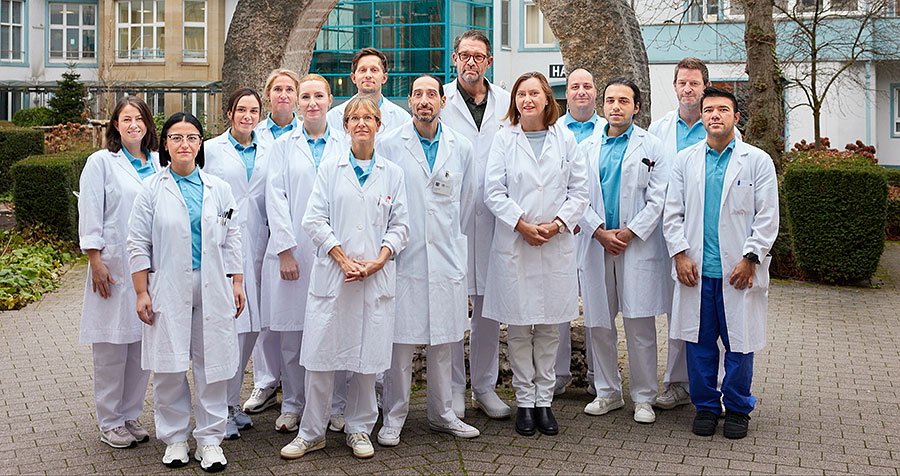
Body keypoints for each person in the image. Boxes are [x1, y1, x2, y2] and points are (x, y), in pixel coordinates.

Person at [279, 97, 409, 460]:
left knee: (367, 361)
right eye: (355, 118)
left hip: (374, 278)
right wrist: (341, 257)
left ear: (379, 125)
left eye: (369, 117)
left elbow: (401, 226)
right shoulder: (330, 168)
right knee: (321, 359)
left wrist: (379, 260)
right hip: (335, 278)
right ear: (346, 124)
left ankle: (359, 428)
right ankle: (311, 432)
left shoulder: (393, 173)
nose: (362, 123)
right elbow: (313, 219)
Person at [127, 112, 244, 472]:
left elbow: (233, 237)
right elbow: (137, 243)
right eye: (176, 138)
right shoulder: (151, 189)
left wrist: (237, 282)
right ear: (165, 144)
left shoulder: (218, 189)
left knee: (213, 366)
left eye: (192, 137)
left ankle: (210, 441)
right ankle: (175, 439)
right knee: (169, 367)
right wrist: (141, 291)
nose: (184, 144)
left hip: (214, 286)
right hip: (168, 287)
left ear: (200, 143)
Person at [662, 87, 778, 439]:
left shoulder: (756, 160)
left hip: (738, 272)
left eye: (723, 109)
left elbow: (767, 216)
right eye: (709, 109)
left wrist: (751, 258)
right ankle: (707, 407)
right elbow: (672, 212)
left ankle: (738, 408)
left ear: (736, 117)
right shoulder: (685, 160)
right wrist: (680, 254)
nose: (715, 115)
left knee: (740, 345)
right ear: (701, 116)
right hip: (697, 271)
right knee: (699, 346)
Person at [376, 74, 480, 447]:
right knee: (400, 346)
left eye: (431, 94)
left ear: (442, 101)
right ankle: (394, 417)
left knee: (444, 344)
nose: (424, 100)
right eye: (417, 94)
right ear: (409, 101)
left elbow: (466, 201)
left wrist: (445, 237)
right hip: (404, 258)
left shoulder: (461, 146)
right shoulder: (389, 144)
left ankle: (442, 414)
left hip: (446, 256)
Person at [483, 72, 588, 437]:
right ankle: (524, 402)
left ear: (547, 99)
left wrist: (558, 225)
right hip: (516, 244)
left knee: (548, 329)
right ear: (515, 100)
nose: (527, 100)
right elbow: (493, 191)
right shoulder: (504, 138)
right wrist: (522, 225)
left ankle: (544, 401)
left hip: (555, 244)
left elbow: (580, 190)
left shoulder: (566, 138)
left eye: (534, 93)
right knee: (518, 329)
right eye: (521, 94)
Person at [577, 78, 670, 425]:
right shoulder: (586, 147)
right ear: (603, 105)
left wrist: (629, 233)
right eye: (610, 100)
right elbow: (576, 195)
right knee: (599, 323)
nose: (616, 106)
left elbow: (658, 199)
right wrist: (599, 232)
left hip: (635, 246)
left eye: (624, 101)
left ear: (637, 107)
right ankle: (607, 392)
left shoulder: (653, 146)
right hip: (597, 243)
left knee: (639, 325)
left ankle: (644, 397)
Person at [262, 74, 347, 435]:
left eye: (318, 96)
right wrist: (285, 251)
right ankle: (293, 404)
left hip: (335, 252)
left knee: (335, 331)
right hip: (295, 251)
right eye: (306, 97)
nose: (312, 103)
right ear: (298, 102)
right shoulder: (283, 146)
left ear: (330, 100)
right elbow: (275, 198)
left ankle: (336, 406)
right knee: (293, 334)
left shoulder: (345, 142)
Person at [78, 96, 158, 449]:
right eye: (126, 119)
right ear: (115, 124)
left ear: (148, 124)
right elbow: (90, 210)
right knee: (112, 348)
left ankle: (130, 415)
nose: (133, 125)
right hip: (113, 267)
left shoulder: (159, 162)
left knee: (142, 347)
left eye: (139, 118)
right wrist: (95, 259)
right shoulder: (101, 162)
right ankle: (110, 421)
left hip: (150, 267)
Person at [443, 29, 512, 420]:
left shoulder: (506, 102)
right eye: (465, 55)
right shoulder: (441, 100)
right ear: (455, 59)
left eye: (479, 56)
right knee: (453, 305)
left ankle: (484, 387)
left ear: (489, 62)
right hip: (451, 216)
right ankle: (454, 388)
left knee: (488, 308)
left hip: (496, 219)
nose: (471, 62)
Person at [201, 88, 268, 440]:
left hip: (261, 246)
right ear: (229, 113)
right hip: (224, 246)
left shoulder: (269, 149)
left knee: (253, 330)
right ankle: (218, 409)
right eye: (241, 109)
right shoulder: (210, 149)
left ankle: (231, 402)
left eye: (253, 110)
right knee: (230, 330)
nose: (247, 116)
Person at [648, 58, 713, 410]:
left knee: (711, 314)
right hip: (667, 235)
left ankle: (711, 385)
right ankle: (676, 383)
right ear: (674, 86)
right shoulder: (658, 130)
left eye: (694, 83)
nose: (688, 89)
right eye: (682, 82)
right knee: (677, 313)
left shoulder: (717, 126)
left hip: (708, 235)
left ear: (705, 86)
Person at [244, 68, 301, 416]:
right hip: (256, 234)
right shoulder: (256, 133)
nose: (283, 94)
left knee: (292, 315)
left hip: (295, 235)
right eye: (277, 89)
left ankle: (296, 388)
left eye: (289, 89)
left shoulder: (306, 130)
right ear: (268, 95)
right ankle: (266, 382)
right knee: (264, 314)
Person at [554, 67, 609, 397]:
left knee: (596, 304)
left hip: (594, 230)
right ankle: (557, 375)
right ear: (567, 92)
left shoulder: (607, 129)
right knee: (558, 305)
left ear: (595, 91)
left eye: (587, 85)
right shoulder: (554, 129)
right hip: (560, 227)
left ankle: (597, 375)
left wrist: (587, 220)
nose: (581, 92)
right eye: (575, 86)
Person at [325, 47, 409, 139]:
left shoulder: (403, 119)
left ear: (384, 78)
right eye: (362, 70)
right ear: (353, 78)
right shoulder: (333, 118)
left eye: (374, 70)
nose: (368, 75)